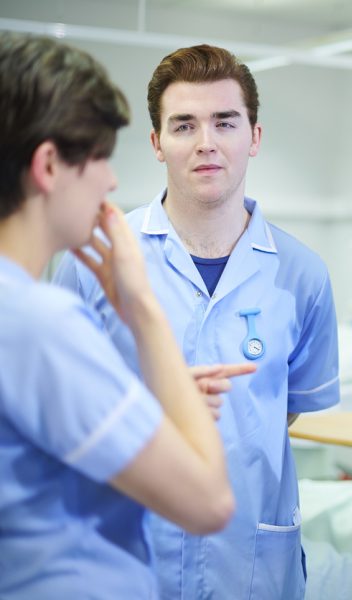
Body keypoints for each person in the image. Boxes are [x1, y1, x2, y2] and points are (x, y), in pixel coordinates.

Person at [54, 44, 340, 599]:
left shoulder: (302, 274)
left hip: (253, 560)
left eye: (225, 122)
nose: (206, 142)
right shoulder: (94, 258)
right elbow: (54, 410)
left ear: (254, 137)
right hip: (126, 553)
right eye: (184, 124)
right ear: (158, 143)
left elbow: (286, 411)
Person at [0, 33, 240, 597]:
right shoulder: (40, 322)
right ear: (49, 166)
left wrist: (150, 400)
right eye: (101, 158)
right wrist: (143, 308)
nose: (110, 181)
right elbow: (209, 502)